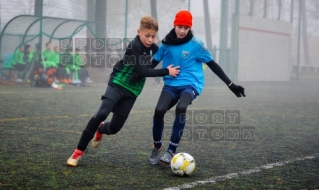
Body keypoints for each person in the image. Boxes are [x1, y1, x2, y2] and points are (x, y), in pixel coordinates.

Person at [66, 15, 180, 167]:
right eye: (147, 36)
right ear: (139, 32)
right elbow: (143, 71)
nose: (150, 40)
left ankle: (100, 129)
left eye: (153, 36)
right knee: (101, 113)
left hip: (132, 91)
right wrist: (167, 71)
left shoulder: (151, 45)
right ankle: (78, 151)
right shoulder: (134, 47)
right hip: (118, 83)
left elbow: (162, 52)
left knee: (114, 128)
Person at [148, 10, 246, 166]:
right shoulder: (166, 43)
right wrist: (135, 73)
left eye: (185, 28)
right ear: (175, 25)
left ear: (189, 29)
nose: (182, 31)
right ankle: (157, 145)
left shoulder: (197, 44)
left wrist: (230, 84)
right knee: (159, 110)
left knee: (181, 108)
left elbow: (213, 65)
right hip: (171, 85)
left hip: (191, 84)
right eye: (179, 26)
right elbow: (151, 65)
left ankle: (171, 150)